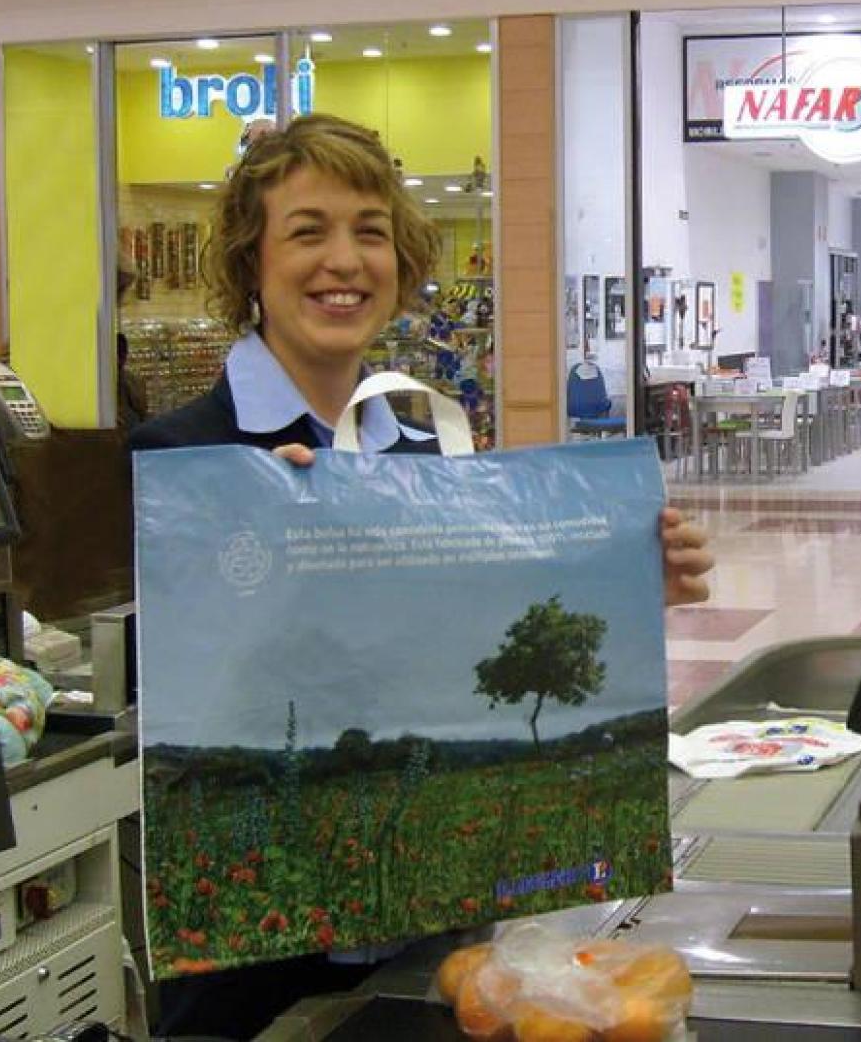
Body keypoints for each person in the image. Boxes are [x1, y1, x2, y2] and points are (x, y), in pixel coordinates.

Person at [129, 113, 715, 1037]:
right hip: (257, 954)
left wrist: (625, 586)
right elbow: (165, 706)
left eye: (370, 231)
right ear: (250, 264)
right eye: (307, 230)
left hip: (428, 936)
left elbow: (461, 650)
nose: (344, 260)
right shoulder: (182, 463)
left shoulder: (427, 454)